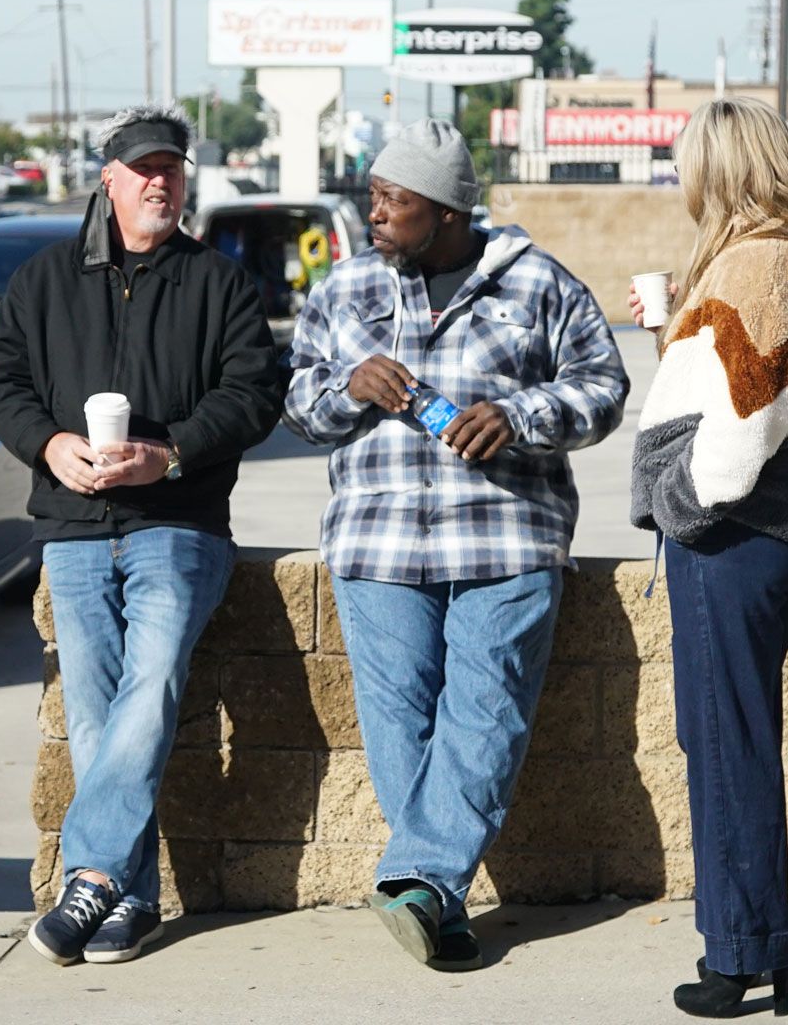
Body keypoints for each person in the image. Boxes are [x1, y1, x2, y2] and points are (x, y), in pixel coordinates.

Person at [284, 120, 629, 971]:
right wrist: (345, 387)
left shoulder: (539, 283)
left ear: (442, 211)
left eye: (392, 201)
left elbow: (604, 388)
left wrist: (520, 417)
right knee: (399, 726)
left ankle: (420, 878)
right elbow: (294, 401)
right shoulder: (345, 289)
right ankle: (437, 896)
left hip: (507, 539)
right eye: (373, 196)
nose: (374, 213)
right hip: (379, 544)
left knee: (487, 715)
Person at [0, 104, 285, 966]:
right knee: (93, 716)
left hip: (178, 526)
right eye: (144, 169)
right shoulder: (42, 281)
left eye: (174, 170)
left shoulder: (218, 282)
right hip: (72, 528)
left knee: (148, 690)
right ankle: (131, 897)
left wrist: (170, 454)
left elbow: (254, 394)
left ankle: (89, 874)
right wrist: (49, 443)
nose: (161, 182)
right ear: (107, 178)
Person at [628, 98, 788, 1016]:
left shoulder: (765, 260)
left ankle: (738, 954)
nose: (683, 178)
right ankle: (750, 944)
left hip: (739, 530)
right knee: (729, 733)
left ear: (721, 168)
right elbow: (755, 385)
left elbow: (747, 421)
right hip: (774, 525)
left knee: (724, 739)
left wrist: (687, 499)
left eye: (691, 162)